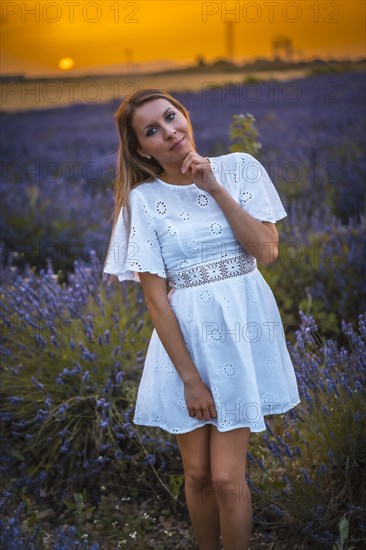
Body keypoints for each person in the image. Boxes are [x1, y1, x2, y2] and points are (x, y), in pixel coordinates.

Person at [103, 88, 300, 550]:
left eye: (171, 117)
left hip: (241, 336)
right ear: (140, 148)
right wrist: (190, 379)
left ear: (185, 114)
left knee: (228, 475)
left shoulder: (239, 168)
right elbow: (155, 301)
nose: (169, 132)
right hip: (184, 347)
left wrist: (213, 187)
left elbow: (267, 251)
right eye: (152, 130)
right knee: (196, 474)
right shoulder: (143, 202)